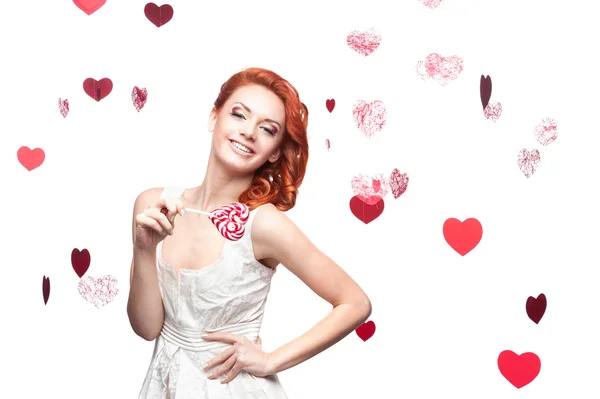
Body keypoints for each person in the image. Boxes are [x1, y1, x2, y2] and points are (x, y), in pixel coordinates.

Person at [128, 67, 372, 398]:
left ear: (274, 150)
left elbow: (355, 303)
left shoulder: (264, 224)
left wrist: (271, 361)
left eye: (268, 129)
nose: (248, 132)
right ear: (214, 118)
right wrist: (144, 249)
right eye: (239, 115)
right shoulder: (153, 203)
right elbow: (146, 328)